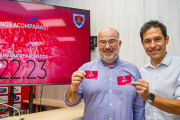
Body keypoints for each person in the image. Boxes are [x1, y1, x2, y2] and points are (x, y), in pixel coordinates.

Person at [64, 27, 145, 120]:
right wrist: (73, 87)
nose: (107, 46)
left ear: (119, 43)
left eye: (112, 41)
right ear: (98, 44)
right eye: (103, 42)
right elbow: (71, 102)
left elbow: (139, 107)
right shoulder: (85, 70)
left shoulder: (133, 70)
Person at [131, 20, 180, 120]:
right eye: (147, 41)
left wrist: (149, 97)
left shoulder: (178, 66)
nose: (152, 45)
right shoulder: (142, 71)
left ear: (167, 39)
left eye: (157, 39)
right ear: (142, 44)